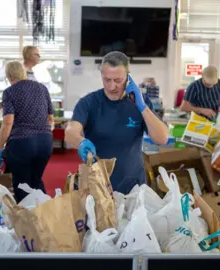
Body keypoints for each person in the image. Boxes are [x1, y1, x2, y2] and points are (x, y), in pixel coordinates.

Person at [65, 51, 169, 194]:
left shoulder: (140, 102)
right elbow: (70, 132)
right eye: (107, 80)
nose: (112, 87)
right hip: (98, 185)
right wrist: (80, 142)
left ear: (128, 78)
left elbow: (162, 138)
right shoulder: (89, 102)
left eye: (118, 81)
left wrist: (143, 107)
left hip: (133, 185)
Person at [0, 61, 54, 203]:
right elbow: (50, 118)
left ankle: (26, 221)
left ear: (9, 76)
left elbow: (8, 121)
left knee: (22, 185)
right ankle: (45, 217)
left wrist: (0, 147)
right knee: (36, 181)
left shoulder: (9, 92)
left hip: (22, 144)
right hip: (45, 142)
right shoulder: (42, 88)